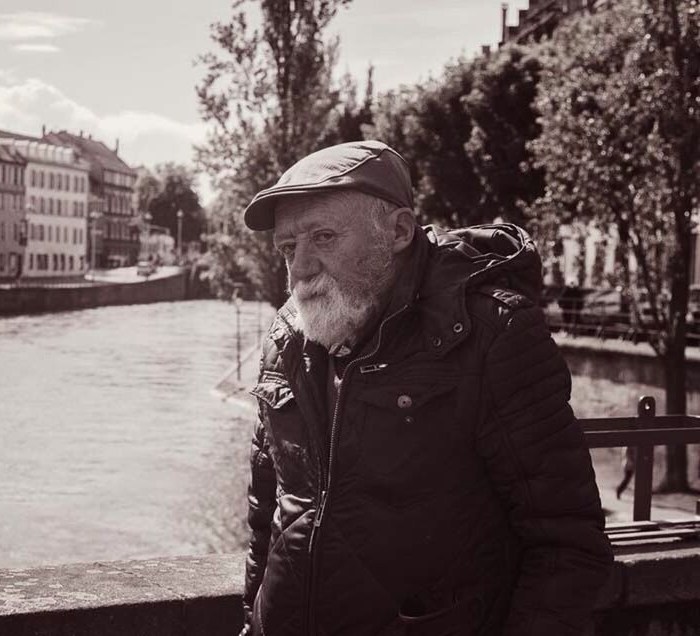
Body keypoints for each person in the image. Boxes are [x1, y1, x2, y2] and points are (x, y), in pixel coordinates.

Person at [239, 141, 613, 636]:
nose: (299, 268)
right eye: (289, 248)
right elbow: (268, 516)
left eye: (323, 237)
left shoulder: (490, 334)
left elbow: (568, 543)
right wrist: (251, 622)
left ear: (397, 231)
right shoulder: (287, 338)